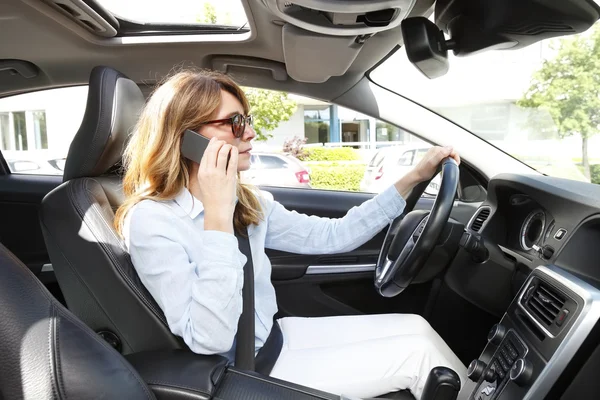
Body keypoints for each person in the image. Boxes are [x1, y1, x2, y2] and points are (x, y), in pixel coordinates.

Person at [114, 69, 466, 399]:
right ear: (187, 137)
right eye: (234, 123)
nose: (250, 133)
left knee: (417, 327)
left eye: (246, 120)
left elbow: (331, 236)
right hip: (244, 371)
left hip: (273, 339)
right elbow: (210, 338)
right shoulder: (152, 221)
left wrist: (414, 178)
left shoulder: (245, 200)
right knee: (419, 356)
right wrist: (218, 218)